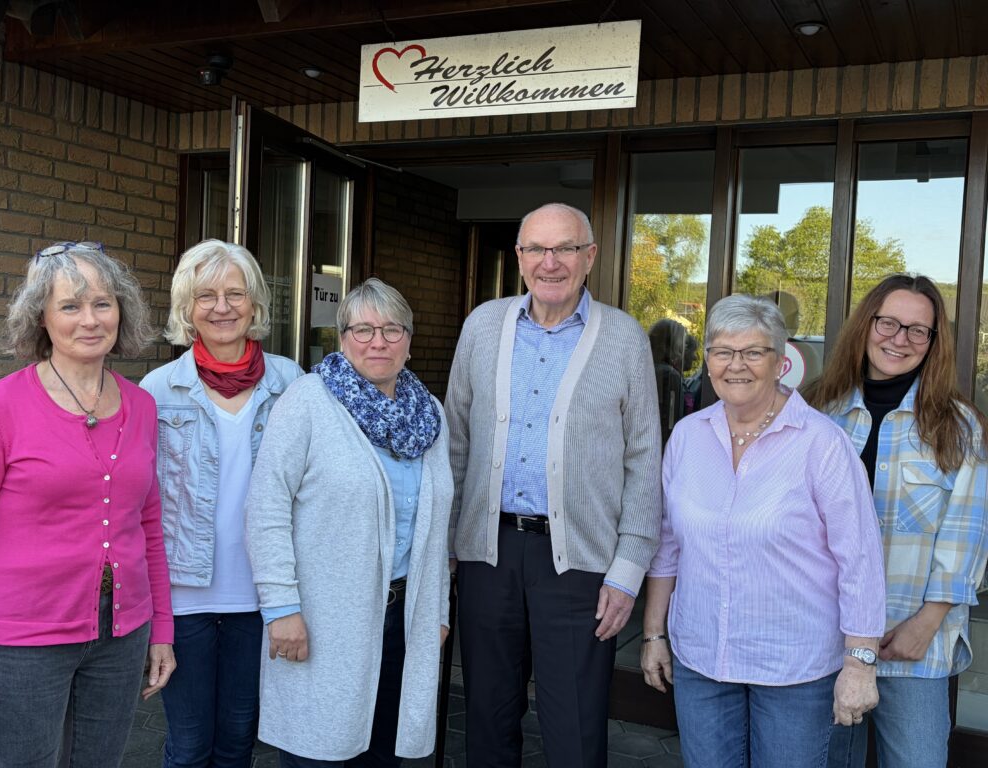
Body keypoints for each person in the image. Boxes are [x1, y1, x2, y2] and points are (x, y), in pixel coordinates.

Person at [445, 202, 663, 767]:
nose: (550, 262)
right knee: (488, 718)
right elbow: (456, 440)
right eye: (537, 249)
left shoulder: (624, 338)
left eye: (565, 248)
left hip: (580, 564)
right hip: (487, 553)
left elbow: (644, 457)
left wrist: (628, 569)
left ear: (589, 257)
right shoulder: (482, 325)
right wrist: (445, 545)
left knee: (575, 729)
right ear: (519, 257)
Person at [641, 293, 886, 768]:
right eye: (722, 351)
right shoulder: (688, 437)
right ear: (707, 360)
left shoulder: (822, 444)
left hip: (794, 670)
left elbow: (859, 559)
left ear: (780, 362)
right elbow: (668, 545)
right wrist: (653, 634)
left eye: (753, 352)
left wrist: (860, 664)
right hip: (703, 661)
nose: (736, 365)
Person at [0, 241, 175, 767]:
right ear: (41, 316)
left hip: (122, 636)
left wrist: (162, 629)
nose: (90, 319)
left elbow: (149, 526)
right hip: (24, 640)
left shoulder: (142, 406)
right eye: (70, 305)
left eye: (103, 303)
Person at [244, 277, 452, 767]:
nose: (378, 342)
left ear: (409, 340)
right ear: (342, 338)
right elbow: (266, 508)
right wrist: (281, 608)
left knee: (382, 754)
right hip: (322, 619)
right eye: (363, 330)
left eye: (392, 329)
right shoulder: (308, 402)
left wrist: (437, 610)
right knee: (319, 752)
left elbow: (437, 526)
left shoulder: (430, 416)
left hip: (404, 619)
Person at [807, 274, 988, 768]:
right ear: (866, 325)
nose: (899, 339)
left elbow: (967, 535)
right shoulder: (818, 411)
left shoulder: (958, 427)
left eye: (917, 330)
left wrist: (925, 624)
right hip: (824, 638)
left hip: (911, 646)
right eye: (888, 323)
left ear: (933, 342)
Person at [139, 240, 304, 768]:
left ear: (254, 303)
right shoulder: (157, 390)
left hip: (260, 597)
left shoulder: (293, 384)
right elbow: (140, 506)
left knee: (237, 742)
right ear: (186, 308)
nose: (222, 307)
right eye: (205, 295)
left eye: (235, 293)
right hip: (183, 599)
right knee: (189, 746)